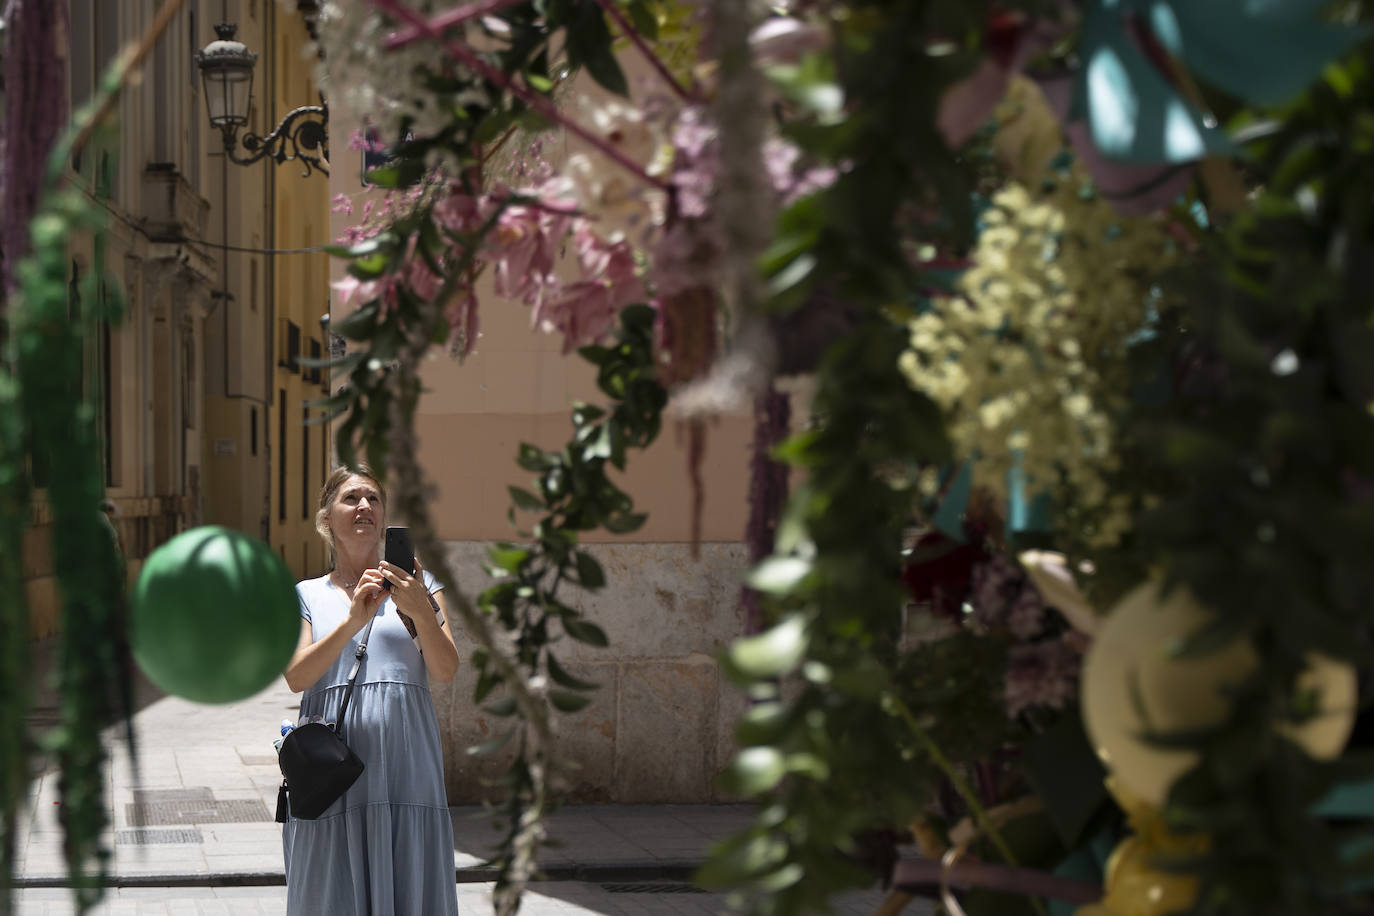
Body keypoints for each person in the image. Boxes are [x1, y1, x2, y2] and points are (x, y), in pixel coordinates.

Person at [281, 464, 461, 915]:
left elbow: (445, 669)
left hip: (407, 765)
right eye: (351, 498)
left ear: (384, 517)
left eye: (373, 499)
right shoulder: (305, 594)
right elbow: (297, 676)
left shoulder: (422, 588)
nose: (364, 506)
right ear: (327, 518)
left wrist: (420, 610)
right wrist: (352, 622)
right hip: (333, 772)